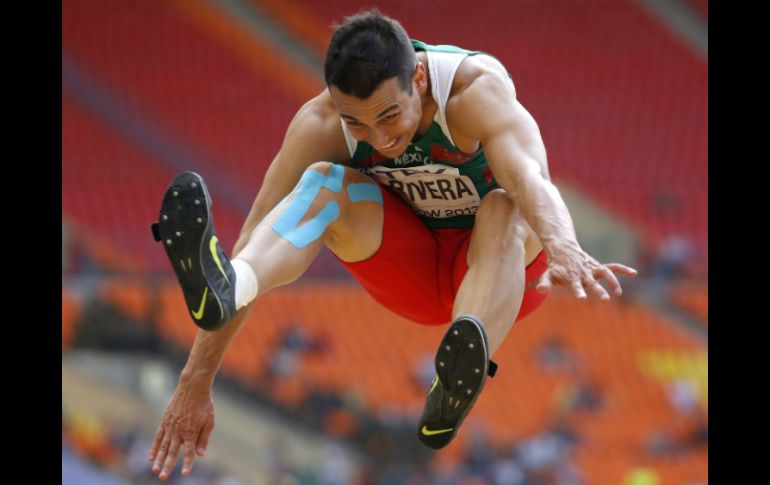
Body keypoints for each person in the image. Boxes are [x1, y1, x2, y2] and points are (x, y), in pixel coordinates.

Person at [148, 9, 637, 480]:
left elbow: (531, 177)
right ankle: (234, 290)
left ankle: (462, 367)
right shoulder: (321, 123)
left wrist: (564, 243)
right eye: (357, 124)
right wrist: (196, 379)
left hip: (501, 275)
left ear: (418, 79)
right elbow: (257, 231)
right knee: (323, 181)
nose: (379, 140)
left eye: (389, 116)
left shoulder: (473, 92)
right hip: (413, 273)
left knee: (503, 204)